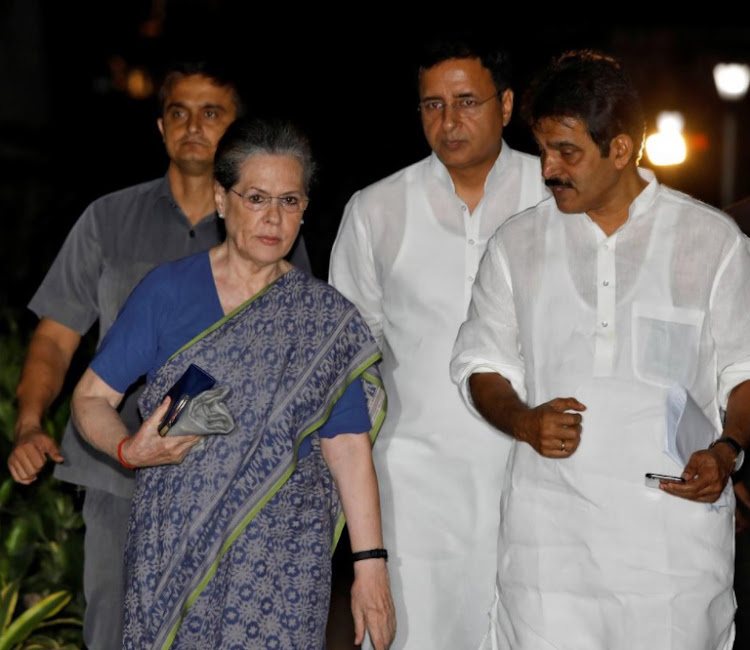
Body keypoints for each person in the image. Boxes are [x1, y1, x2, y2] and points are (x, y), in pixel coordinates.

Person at [450, 49, 750, 650]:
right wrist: (523, 420)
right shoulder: (518, 245)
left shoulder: (711, 242)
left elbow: (742, 374)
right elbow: (480, 364)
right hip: (549, 555)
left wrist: (727, 450)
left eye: (568, 152)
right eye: (543, 151)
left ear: (620, 150)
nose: (548, 170)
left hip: (672, 553)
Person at [6, 60, 311, 649]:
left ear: (238, 128)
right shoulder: (108, 219)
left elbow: (297, 355)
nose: (194, 126)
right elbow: (55, 335)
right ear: (161, 126)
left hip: (228, 480)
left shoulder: (272, 225)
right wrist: (27, 423)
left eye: (212, 112)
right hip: (118, 469)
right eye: (179, 112)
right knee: (114, 631)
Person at [70, 117, 396, 650]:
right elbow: (90, 399)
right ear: (222, 200)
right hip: (173, 549)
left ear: (306, 207)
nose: (273, 218)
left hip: (284, 564)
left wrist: (370, 567)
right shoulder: (167, 292)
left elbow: (348, 449)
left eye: (289, 201)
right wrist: (129, 450)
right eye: (256, 198)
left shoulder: (323, 320)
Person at [328, 36, 547, 648]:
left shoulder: (554, 194)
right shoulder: (376, 209)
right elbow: (348, 360)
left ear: (506, 106)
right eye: (432, 105)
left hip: (536, 470)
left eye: (466, 101)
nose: (448, 122)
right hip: (413, 481)